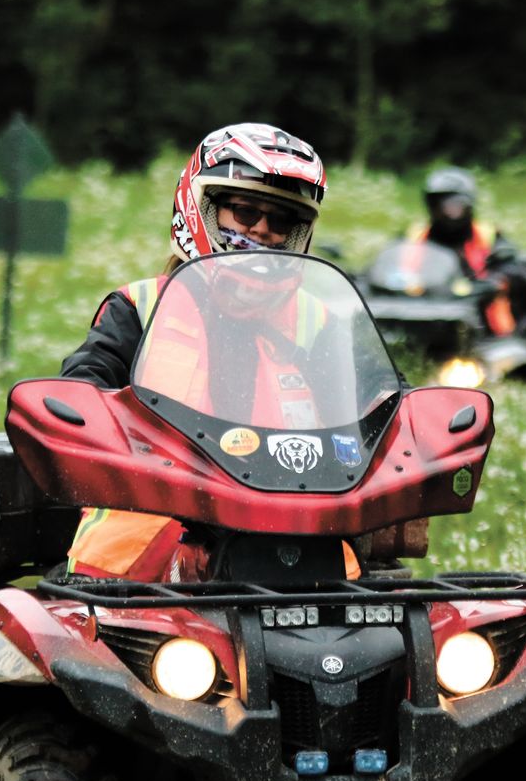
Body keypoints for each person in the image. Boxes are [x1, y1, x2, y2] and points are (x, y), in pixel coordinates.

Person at [59, 123, 329, 580]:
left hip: (285, 526)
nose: (262, 231)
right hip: (150, 537)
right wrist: (78, 415)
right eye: (244, 213)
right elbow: (80, 391)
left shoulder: (316, 322)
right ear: (202, 208)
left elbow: (380, 402)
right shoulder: (139, 308)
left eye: (280, 222)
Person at [408, 166, 519, 335]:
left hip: (480, 315)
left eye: (454, 206)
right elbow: (392, 263)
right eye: (441, 206)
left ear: (468, 206)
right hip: (422, 308)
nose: (447, 212)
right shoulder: (415, 235)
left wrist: (500, 268)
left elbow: (508, 263)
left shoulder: (489, 235)